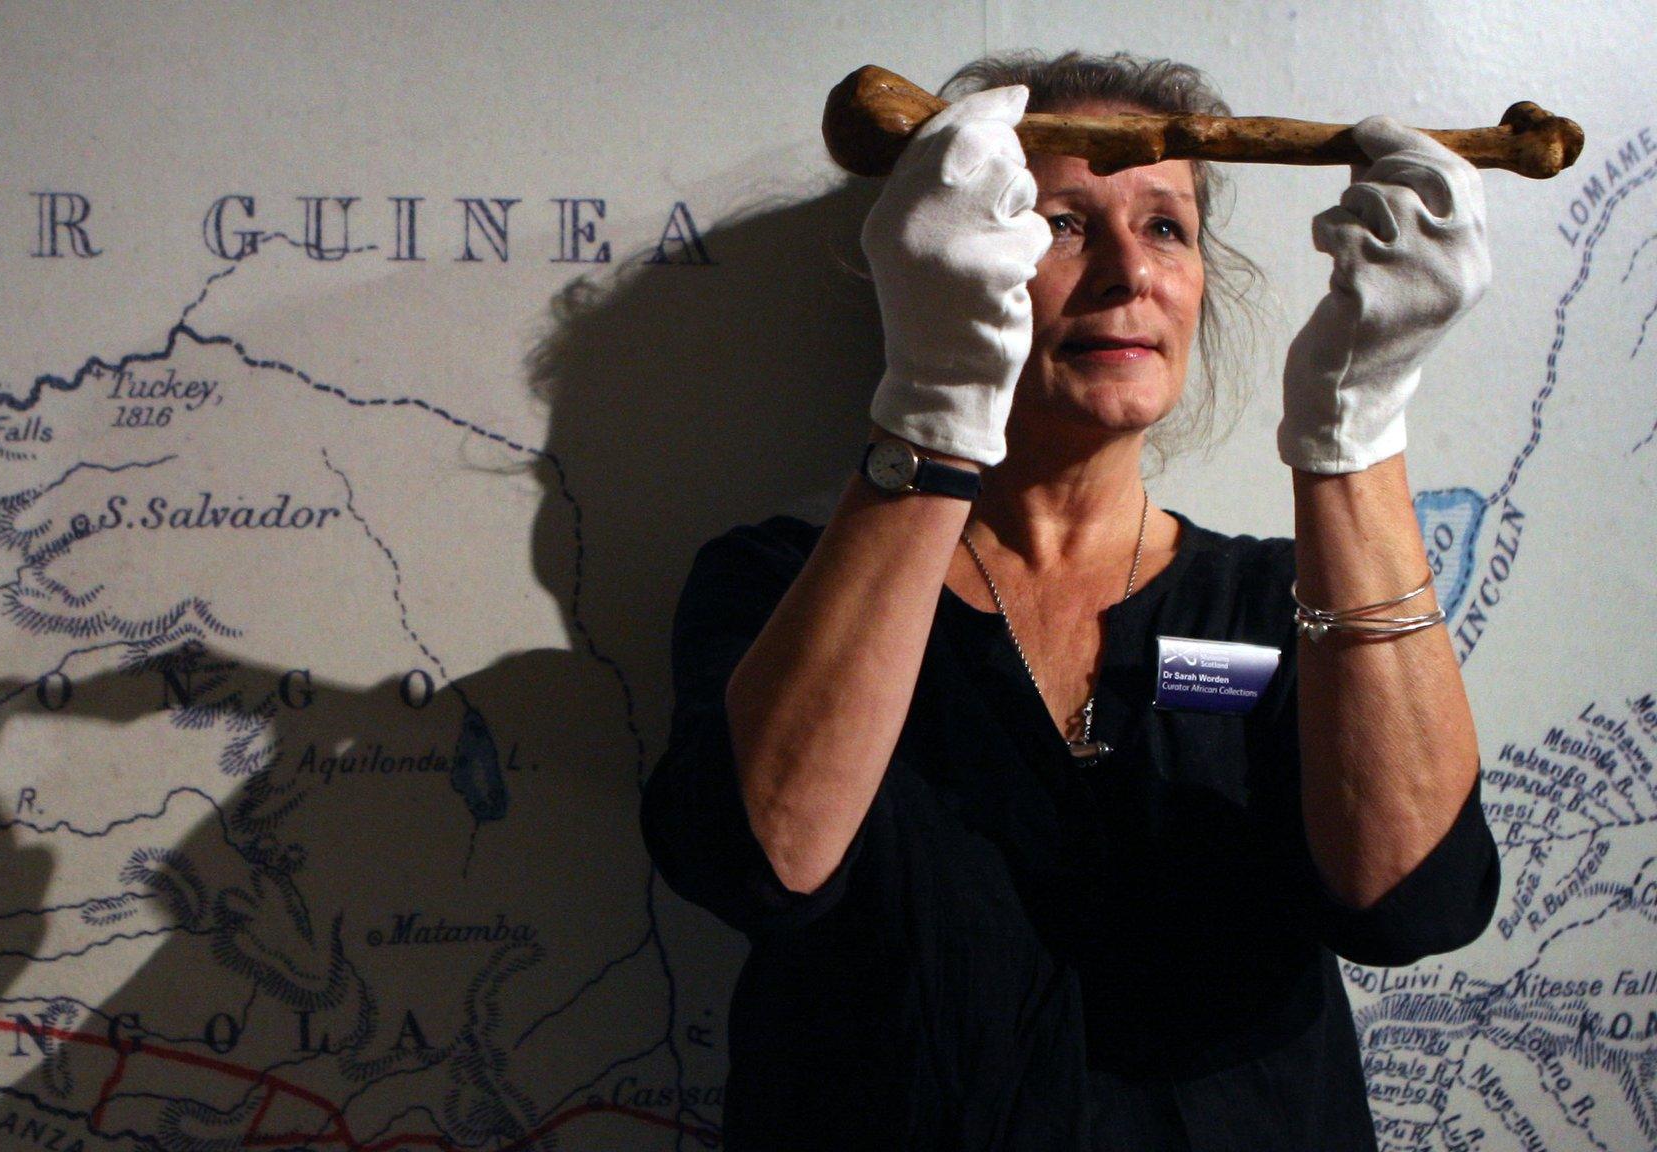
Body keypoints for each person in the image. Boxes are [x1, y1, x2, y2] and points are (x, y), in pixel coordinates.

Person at [640, 51, 1501, 1151]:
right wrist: (935, 406)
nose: (1125, 274)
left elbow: (1408, 901)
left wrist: (1354, 427)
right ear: (945, 264)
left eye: (1165, 227)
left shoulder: (1278, 601)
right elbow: (762, 867)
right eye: (1058, 221)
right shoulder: (772, 587)